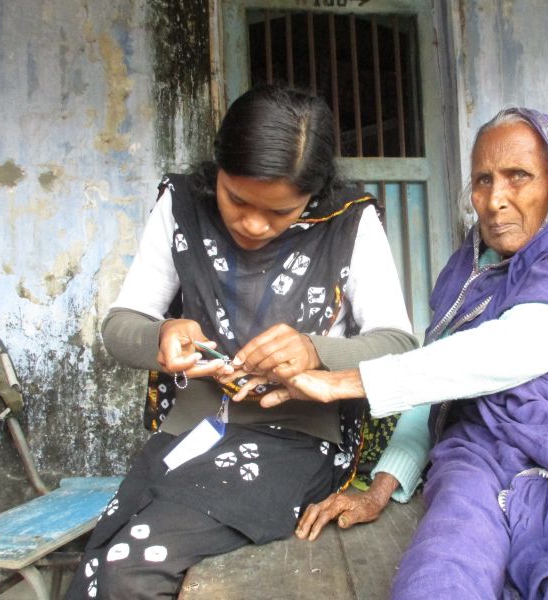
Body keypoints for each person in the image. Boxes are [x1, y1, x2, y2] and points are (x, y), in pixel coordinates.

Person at [247, 108, 548, 598]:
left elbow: (517, 346)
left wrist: (342, 381)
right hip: (479, 452)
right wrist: (381, 487)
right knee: (443, 565)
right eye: (482, 180)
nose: (495, 199)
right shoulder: (469, 272)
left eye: (518, 176)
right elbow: (437, 382)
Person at [65, 84, 418, 599]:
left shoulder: (349, 221)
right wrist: (160, 335)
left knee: (129, 568)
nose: (253, 224)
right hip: (190, 435)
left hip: (298, 443)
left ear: (314, 194)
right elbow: (121, 325)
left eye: (280, 213)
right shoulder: (182, 204)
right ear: (218, 172)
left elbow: (401, 346)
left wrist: (318, 350)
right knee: (104, 556)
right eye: (237, 200)